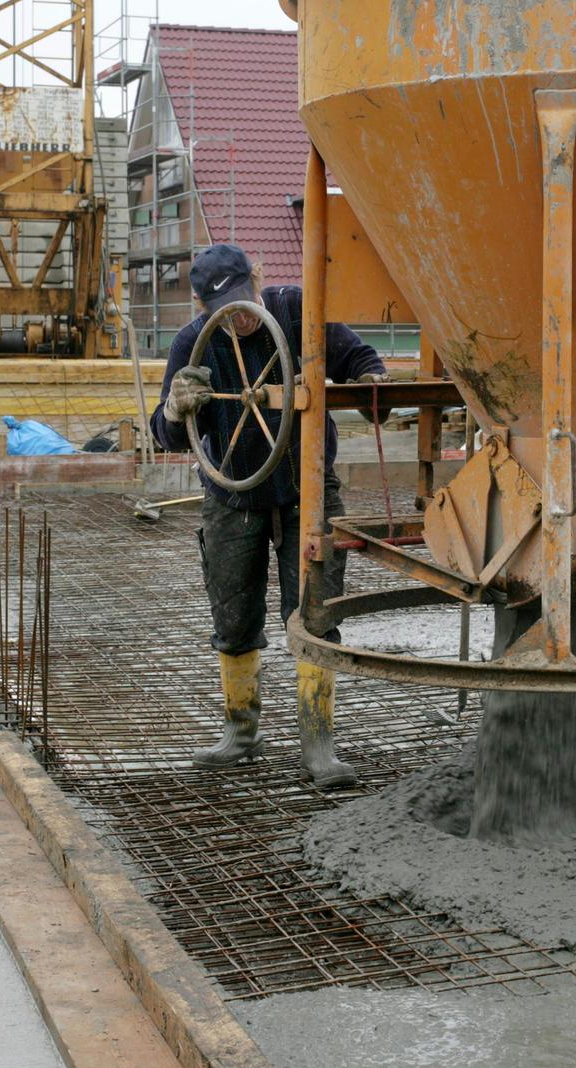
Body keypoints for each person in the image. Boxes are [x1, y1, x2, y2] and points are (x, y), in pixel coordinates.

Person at [151, 243, 388, 788]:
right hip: (234, 496)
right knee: (232, 614)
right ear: (199, 306)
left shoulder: (294, 311)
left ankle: (318, 742)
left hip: (307, 490)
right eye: (221, 310)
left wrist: (373, 383)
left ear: (257, 281)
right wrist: (175, 407)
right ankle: (241, 732)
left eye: (241, 300)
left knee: (316, 610)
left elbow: (358, 358)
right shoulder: (194, 344)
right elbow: (167, 435)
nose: (236, 316)